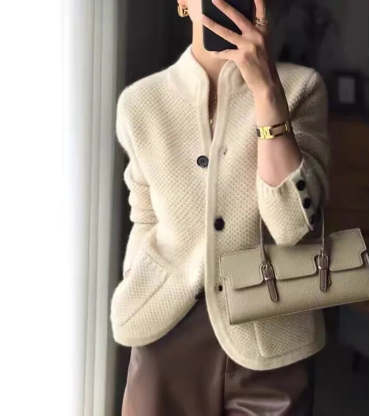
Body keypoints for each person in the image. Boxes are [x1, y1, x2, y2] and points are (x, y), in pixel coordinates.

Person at [111, 0, 331, 414]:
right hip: (167, 333)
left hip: (271, 339)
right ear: (183, 3)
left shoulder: (300, 88)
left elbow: (291, 225)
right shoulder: (141, 103)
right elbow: (145, 216)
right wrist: (142, 284)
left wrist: (266, 93)